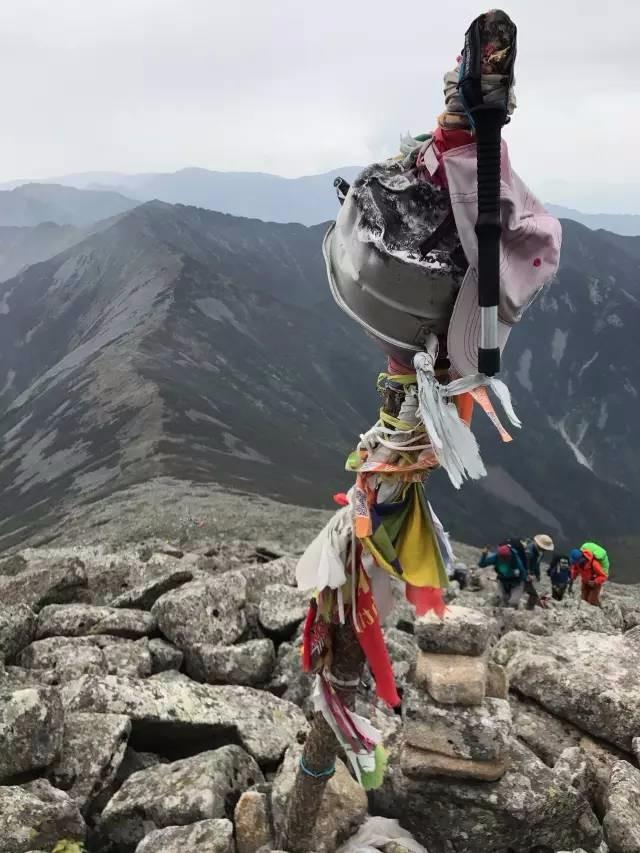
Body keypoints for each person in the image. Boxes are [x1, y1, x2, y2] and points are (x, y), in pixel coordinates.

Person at [478, 543, 525, 608]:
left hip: (516, 583)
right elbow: (481, 564)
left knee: (513, 602)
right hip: (503, 581)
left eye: (506, 558)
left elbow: (523, 574)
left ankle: (515, 606)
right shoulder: (495, 557)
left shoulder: (515, 560)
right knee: (498, 598)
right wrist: (484, 554)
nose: (504, 559)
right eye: (502, 557)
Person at [523, 534, 555, 609]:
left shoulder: (540, 552)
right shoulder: (529, 551)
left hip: (528, 575)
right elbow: (525, 564)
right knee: (532, 594)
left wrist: (537, 574)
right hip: (523, 574)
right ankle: (528, 610)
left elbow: (537, 564)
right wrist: (527, 574)